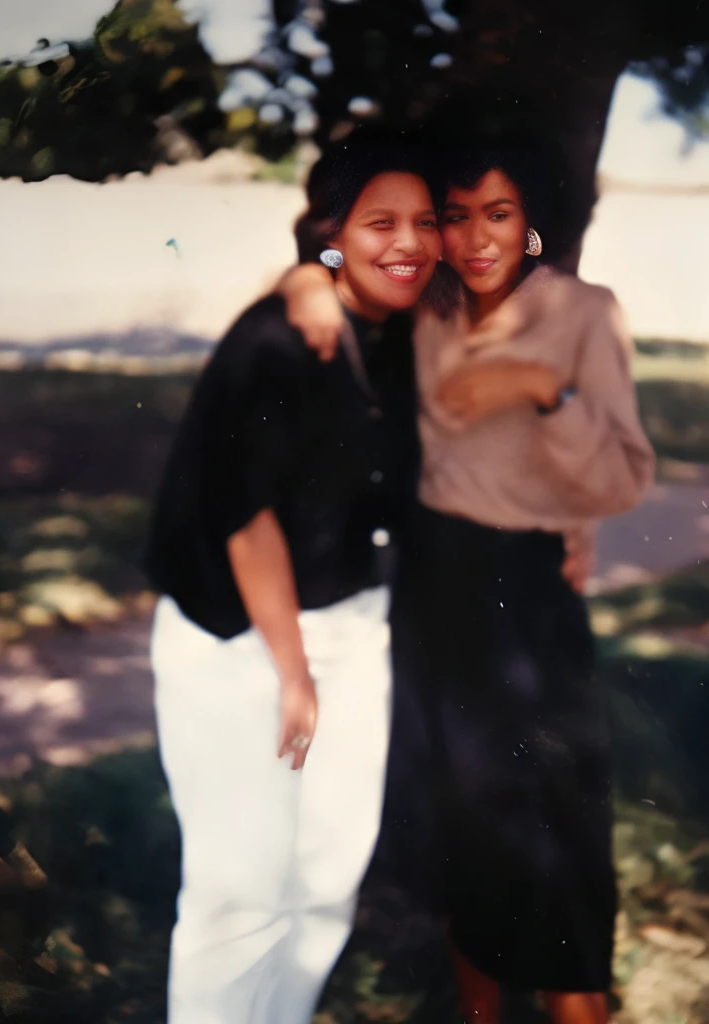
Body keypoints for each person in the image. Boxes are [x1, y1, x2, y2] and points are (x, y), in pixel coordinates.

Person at [277, 133, 655, 1024]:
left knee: (557, 821)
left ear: (530, 224)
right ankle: (478, 1009)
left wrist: (542, 391)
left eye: (499, 213)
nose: (477, 238)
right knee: (458, 819)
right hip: (434, 588)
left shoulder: (582, 312)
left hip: (528, 595)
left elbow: (623, 478)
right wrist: (306, 279)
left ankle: (577, 1008)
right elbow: (334, 255)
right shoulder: (427, 303)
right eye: (456, 217)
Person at [144, 130, 443, 1024]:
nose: (409, 242)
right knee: (239, 894)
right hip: (244, 641)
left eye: (424, 222)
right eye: (380, 221)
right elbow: (246, 518)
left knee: (326, 881)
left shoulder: (393, 331)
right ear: (330, 231)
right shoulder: (279, 340)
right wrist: (294, 672)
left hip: (352, 624)